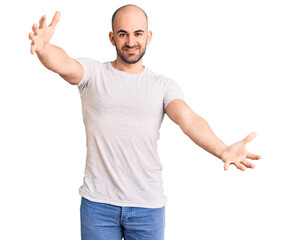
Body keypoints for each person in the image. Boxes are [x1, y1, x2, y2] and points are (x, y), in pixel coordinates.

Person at [28, 4, 261, 240]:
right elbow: (64, 63)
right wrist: (44, 48)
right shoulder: (93, 74)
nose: (131, 41)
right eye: (123, 34)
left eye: (138, 33)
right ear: (112, 38)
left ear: (148, 37)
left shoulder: (163, 86)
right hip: (98, 205)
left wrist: (222, 149)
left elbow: (189, 120)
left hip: (147, 206)